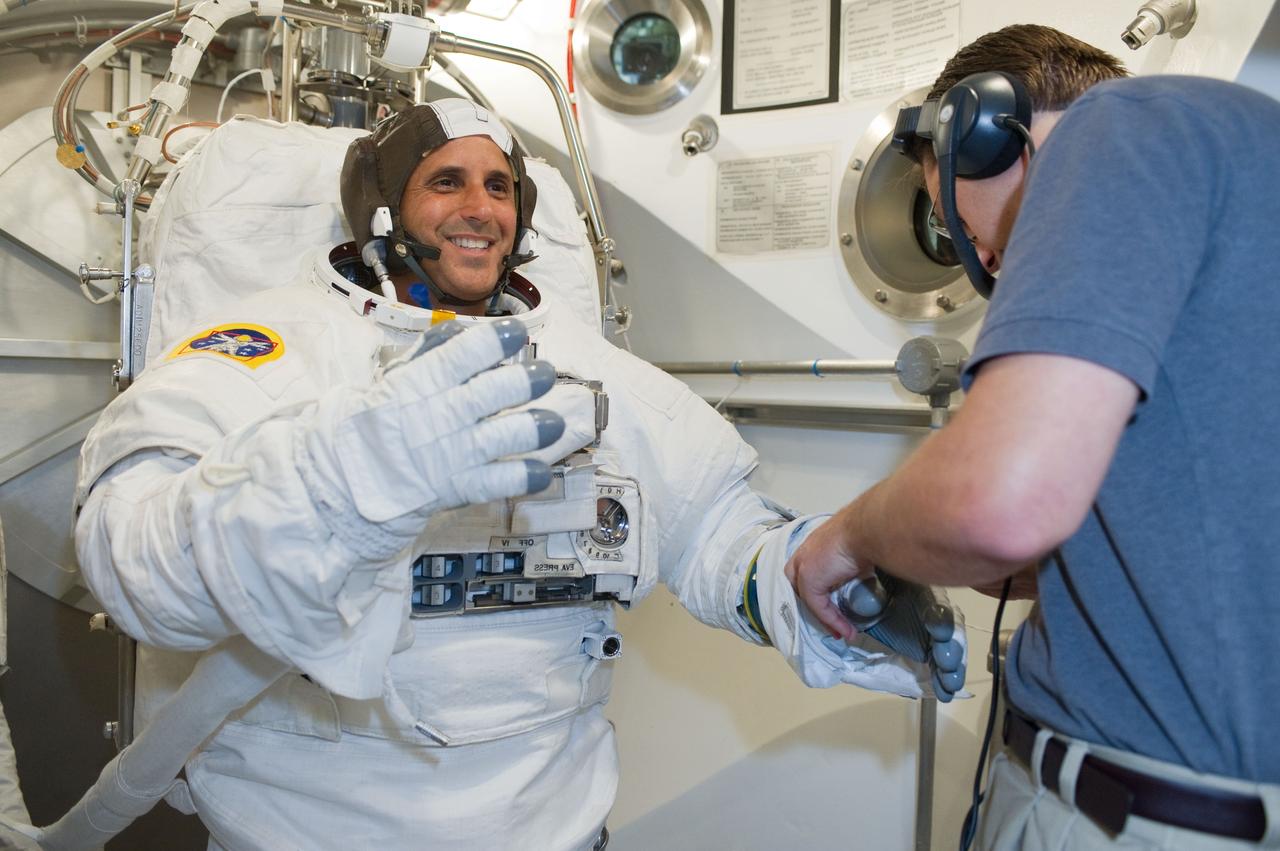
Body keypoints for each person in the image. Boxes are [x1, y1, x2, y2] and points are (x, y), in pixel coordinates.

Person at [72, 98, 965, 850]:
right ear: (379, 206)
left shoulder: (589, 369)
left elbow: (714, 530)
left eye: (500, 187)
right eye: (447, 181)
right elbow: (131, 552)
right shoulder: (271, 349)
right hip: (309, 824)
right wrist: (336, 479)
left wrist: (816, 584)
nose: (481, 208)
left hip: (551, 824)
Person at [787, 23, 1280, 851]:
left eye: (959, 227)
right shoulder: (1237, 177)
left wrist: (851, 537)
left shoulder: (1119, 123)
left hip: (1133, 813)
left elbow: (1002, 506)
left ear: (982, 129)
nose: (981, 260)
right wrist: (939, 554)